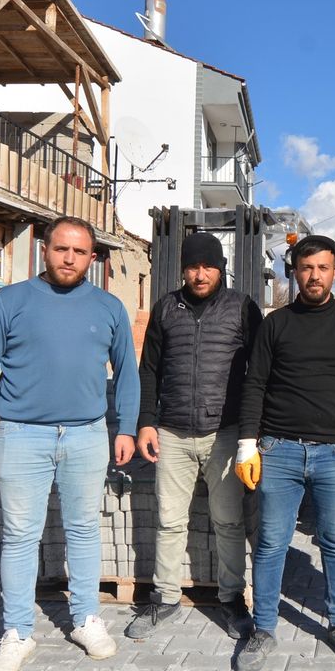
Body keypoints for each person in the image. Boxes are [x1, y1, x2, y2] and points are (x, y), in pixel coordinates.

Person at [0, 216, 139, 671]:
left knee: (82, 529)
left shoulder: (109, 307)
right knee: (20, 535)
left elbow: (127, 373)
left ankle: (84, 620)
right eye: (62, 249)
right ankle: (17, 632)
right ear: (45, 248)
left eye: (80, 252)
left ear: (92, 258)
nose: (69, 259)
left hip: (86, 434)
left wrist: (126, 429)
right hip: (22, 435)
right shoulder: (10, 302)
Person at [232, 234, 335, 671]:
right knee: (270, 543)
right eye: (306, 267)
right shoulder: (275, 325)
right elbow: (254, 383)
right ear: (293, 271)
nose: (314, 275)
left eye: (323, 268)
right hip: (279, 450)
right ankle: (263, 628)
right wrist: (247, 443)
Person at [127, 232, 262, 641]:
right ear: (183, 268)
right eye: (193, 266)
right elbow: (148, 370)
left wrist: (253, 436)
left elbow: (258, 372)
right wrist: (146, 422)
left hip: (226, 433)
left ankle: (233, 599)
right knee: (169, 521)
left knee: (228, 521)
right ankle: (164, 597)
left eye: (208, 266)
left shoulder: (242, 308)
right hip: (172, 432)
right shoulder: (167, 308)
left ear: (221, 269)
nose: (200, 274)